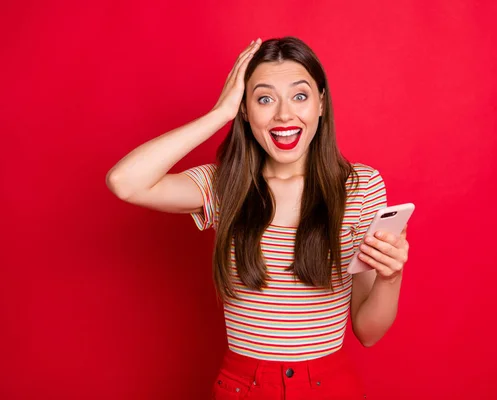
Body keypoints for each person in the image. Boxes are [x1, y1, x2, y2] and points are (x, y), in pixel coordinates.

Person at [106, 36, 409, 400]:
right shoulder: (224, 185)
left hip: (329, 387)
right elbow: (125, 182)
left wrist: (391, 278)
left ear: (322, 104)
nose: (284, 114)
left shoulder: (360, 187)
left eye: (300, 96)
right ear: (245, 111)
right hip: (242, 388)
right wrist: (219, 113)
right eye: (264, 98)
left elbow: (368, 331)